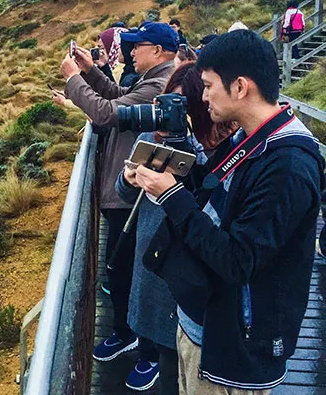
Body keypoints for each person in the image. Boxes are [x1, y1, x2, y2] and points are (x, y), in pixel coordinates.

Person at [128, 30, 324, 393]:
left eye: (208, 85)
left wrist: (171, 195)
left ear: (240, 87)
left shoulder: (288, 165)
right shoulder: (250, 137)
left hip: (232, 349)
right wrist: (162, 170)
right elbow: (213, 196)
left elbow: (238, 260)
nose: (202, 97)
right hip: (202, 322)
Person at [113, 63, 238, 392]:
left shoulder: (225, 148)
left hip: (195, 267)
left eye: (182, 106)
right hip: (153, 259)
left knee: (188, 358)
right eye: (169, 103)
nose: (171, 115)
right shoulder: (151, 137)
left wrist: (192, 154)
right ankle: (147, 356)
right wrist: (129, 177)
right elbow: (122, 192)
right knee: (164, 355)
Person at [61, 21, 180, 367]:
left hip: (135, 194)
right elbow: (118, 99)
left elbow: (106, 112)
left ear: (157, 51)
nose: (129, 51)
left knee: (131, 272)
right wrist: (93, 73)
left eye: (136, 45)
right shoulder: (152, 79)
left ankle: (148, 347)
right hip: (127, 188)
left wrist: (73, 79)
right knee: (123, 270)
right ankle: (129, 333)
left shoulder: (160, 83)